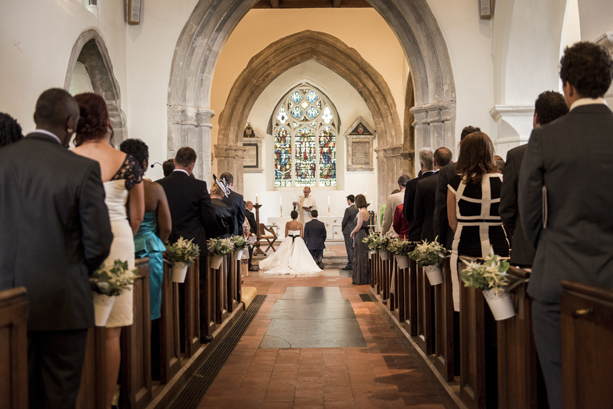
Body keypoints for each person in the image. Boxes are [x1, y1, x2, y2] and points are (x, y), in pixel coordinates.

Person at [0, 88, 113, 409]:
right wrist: (71, 273)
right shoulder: (80, 169)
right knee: (59, 395)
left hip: (5, 303)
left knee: (11, 392)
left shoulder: (3, 161)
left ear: (35, 117)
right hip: (62, 303)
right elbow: (99, 242)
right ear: (71, 122)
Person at [519, 42, 613, 409]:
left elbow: (528, 210)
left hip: (557, 279)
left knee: (562, 385)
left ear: (567, 87)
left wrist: (550, 245)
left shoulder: (546, 137)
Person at [72, 92, 145, 408]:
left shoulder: (69, 158)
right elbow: (138, 214)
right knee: (112, 331)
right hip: (118, 241)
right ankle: (105, 402)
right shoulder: (127, 161)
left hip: (77, 244)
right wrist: (123, 237)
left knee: (81, 328)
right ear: (107, 121)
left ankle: (82, 398)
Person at [500, 91, 568, 268]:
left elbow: (507, 208)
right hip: (567, 253)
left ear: (535, 117)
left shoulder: (517, 156)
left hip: (526, 252)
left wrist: (520, 237)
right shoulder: (576, 153)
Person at [158, 147, 217, 342]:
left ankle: (169, 335)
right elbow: (209, 218)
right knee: (196, 291)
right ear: (192, 166)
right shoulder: (198, 186)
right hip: (194, 247)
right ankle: (198, 333)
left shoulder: (159, 185)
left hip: (166, 247)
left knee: (167, 291)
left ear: (174, 162)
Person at [447, 132, 509, 311]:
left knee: (468, 305)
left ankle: (467, 336)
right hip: (498, 247)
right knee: (497, 305)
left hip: (465, 246)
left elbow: (452, 222)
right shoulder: (503, 181)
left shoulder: (456, 183)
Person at [119, 139, 171, 322]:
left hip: (121, 249)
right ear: (144, 163)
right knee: (149, 307)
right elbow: (166, 227)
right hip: (150, 250)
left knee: (122, 310)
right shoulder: (155, 189)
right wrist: (158, 243)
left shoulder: (115, 188)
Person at [434, 125, 481, 250]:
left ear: (461, 144)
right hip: (489, 238)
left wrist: (440, 240)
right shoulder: (493, 171)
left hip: (456, 235)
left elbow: (442, 209)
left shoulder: (448, 171)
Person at [259, 210, 322, 275]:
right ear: (297, 216)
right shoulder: (300, 224)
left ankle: (286, 264)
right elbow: (301, 236)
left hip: (289, 239)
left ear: (291, 216)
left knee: (285, 253)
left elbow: (286, 235)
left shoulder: (288, 223)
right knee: (299, 254)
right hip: (298, 240)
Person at [414, 147, 453, 242]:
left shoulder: (423, 183)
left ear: (434, 162)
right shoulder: (455, 181)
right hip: (451, 233)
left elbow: (418, 213)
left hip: (429, 232)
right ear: (452, 163)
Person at [404, 149, 435, 241]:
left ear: (421, 164)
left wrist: (415, 223)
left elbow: (407, 211)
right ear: (434, 162)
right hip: (437, 233)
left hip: (417, 232)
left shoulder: (412, 184)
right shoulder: (441, 181)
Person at [350, 194, 370, 285]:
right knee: (362, 256)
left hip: (360, 235)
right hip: (363, 234)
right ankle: (363, 278)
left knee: (360, 256)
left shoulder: (362, 212)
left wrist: (352, 232)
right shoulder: (366, 211)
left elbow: (359, 225)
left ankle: (360, 279)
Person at [341, 195, 358, 270]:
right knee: (353, 247)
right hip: (355, 230)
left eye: (347, 200)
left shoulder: (348, 209)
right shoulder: (357, 209)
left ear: (349, 200)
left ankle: (350, 264)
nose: (347, 202)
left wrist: (342, 228)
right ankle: (354, 262)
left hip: (348, 231)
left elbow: (344, 221)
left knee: (349, 247)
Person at [245, 201, 258, 271]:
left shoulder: (242, 212)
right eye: (252, 206)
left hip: (243, 234)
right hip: (251, 234)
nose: (252, 207)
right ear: (249, 206)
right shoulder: (250, 214)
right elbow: (254, 225)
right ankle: (249, 265)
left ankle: (244, 265)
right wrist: (255, 233)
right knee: (250, 249)